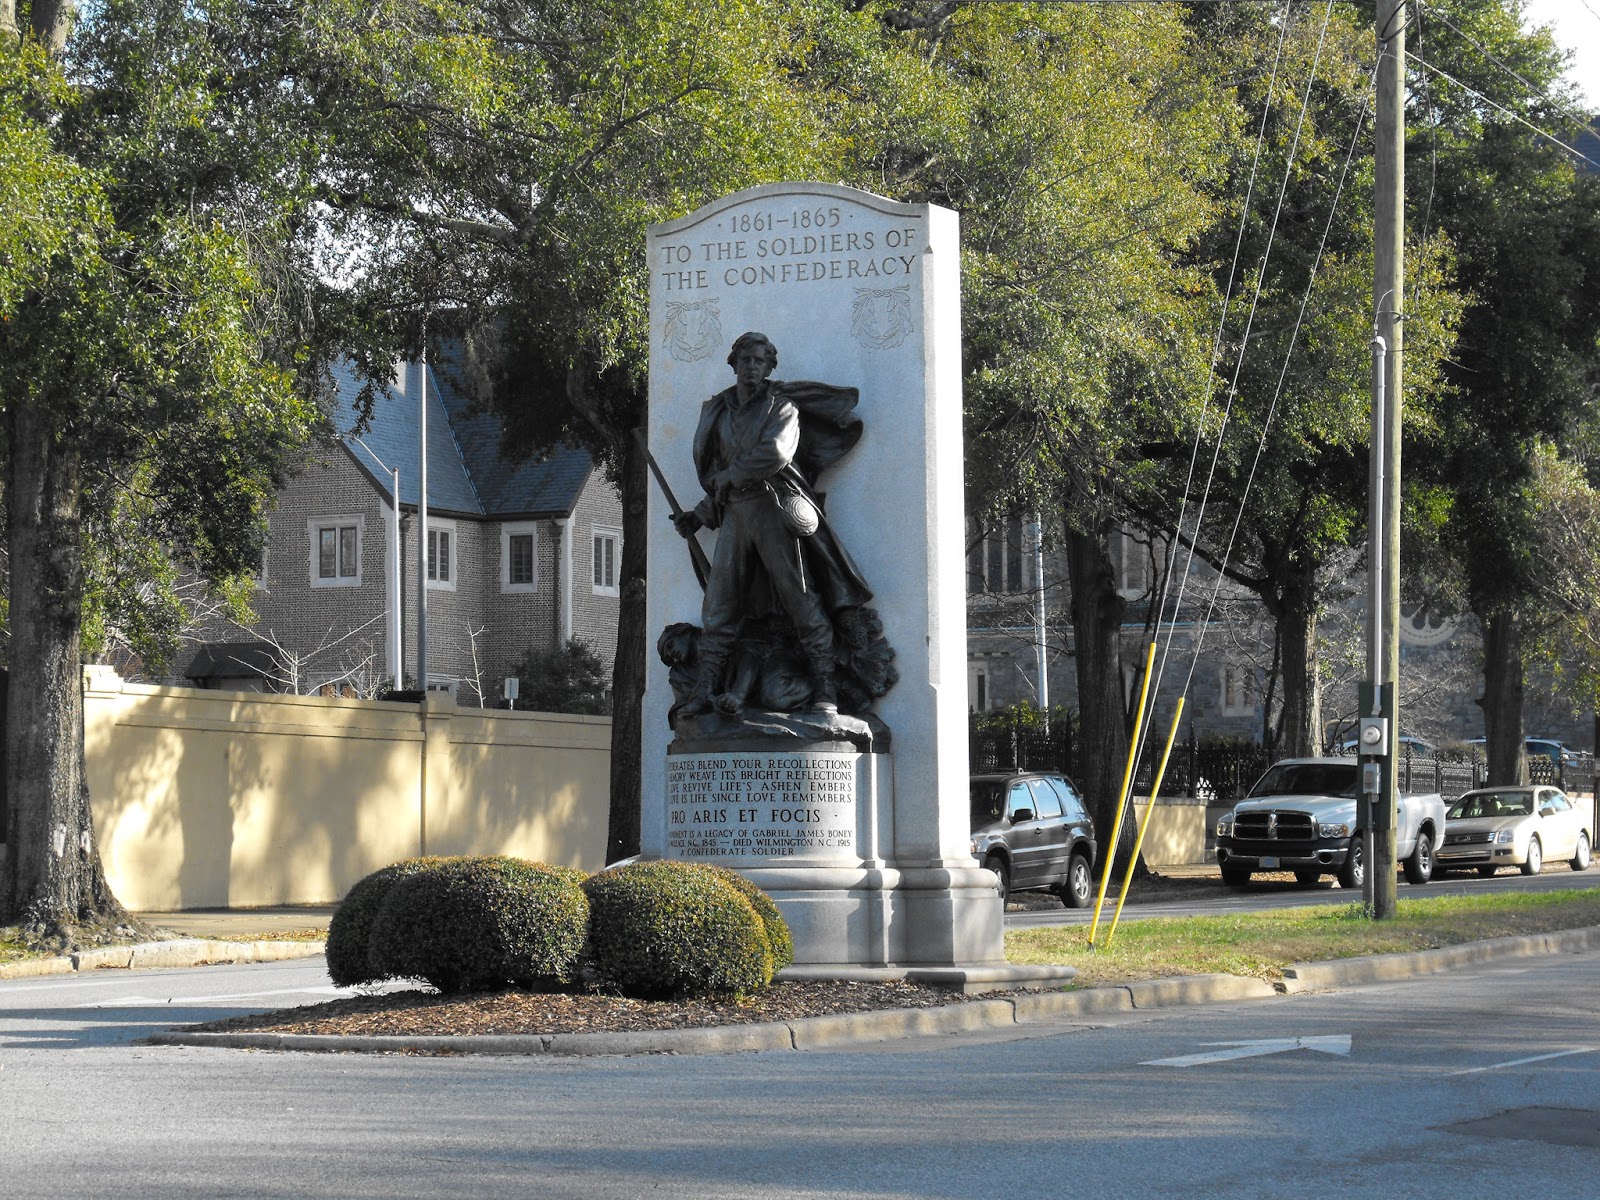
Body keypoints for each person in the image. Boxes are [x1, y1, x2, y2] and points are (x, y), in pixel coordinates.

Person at [672, 332, 872, 717]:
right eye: (745, 359)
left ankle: (825, 689)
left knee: (800, 597)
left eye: (759, 361)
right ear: (733, 363)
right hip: (735, 513)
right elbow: (717, 473)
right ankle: (705, 690)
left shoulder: (781, 407)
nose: (751, 367)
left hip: (773, 509)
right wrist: (698, 515)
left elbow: (775, 452)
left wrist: (731, 477)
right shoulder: (718, 410)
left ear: (770, 367)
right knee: (719, 605)